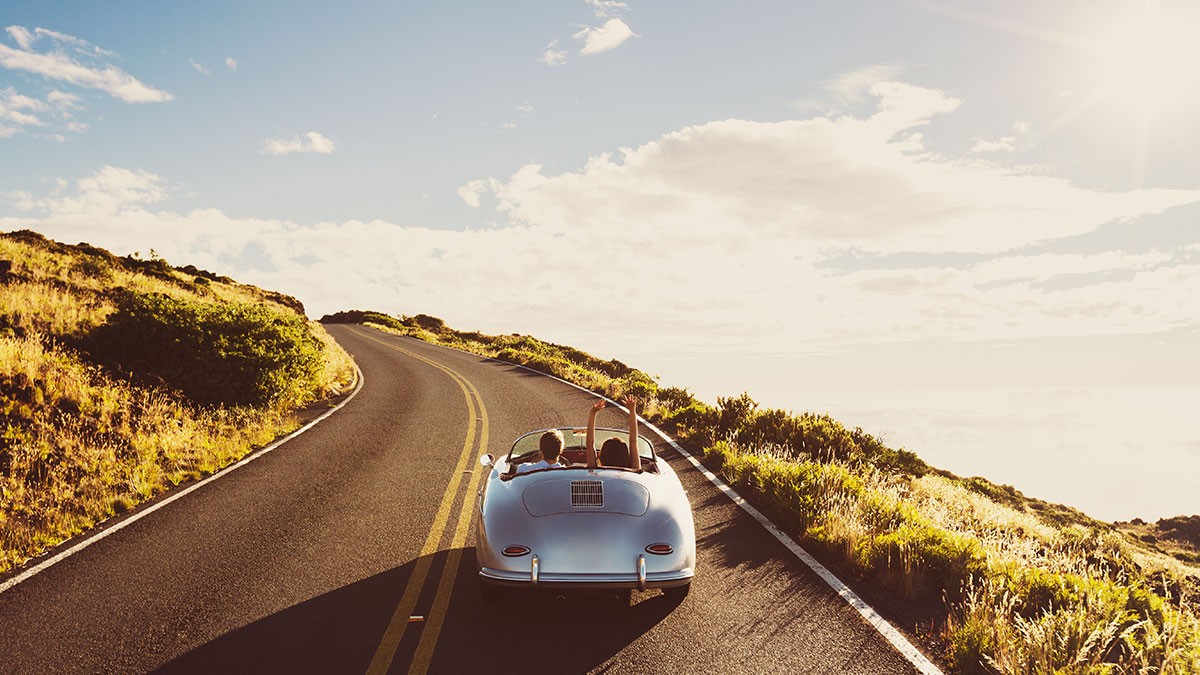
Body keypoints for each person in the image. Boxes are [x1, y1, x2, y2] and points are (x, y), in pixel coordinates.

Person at [585, 395, 642, 471]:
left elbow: (589, 444)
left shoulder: (595, 470)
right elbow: (633, 441)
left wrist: (593, 413)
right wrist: (632, 411)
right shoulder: (634, 471)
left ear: (602, 455)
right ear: (625, 456)